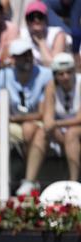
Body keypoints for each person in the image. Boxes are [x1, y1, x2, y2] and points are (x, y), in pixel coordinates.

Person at [0, 39, 52, 196]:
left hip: (32, 123)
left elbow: (42, 113)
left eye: (28, 54)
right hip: (10, 124)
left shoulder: (45, 74)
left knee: (32, 129)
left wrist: (12, 119)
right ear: (14, 59)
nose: (27, 58)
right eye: (22, 56)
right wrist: (1, 119)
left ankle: (28, 181)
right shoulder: (4, 75)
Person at [37, 53, 81, 185]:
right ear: (55, 75)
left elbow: (79, 119)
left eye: (69, 72)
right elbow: (48, 118)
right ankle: (30, 180)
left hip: (75, 128)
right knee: (41, 132)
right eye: (61, 74)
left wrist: (55, 123)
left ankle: (74, 181)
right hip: (62, 131)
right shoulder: (51, 86)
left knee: (72, 134)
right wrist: (52, 125)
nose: (65, 77)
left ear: (74, 71)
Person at [19, 1, 67, 67]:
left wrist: (41, 42)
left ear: (46, 19)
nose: (36, 20)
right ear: (27, 21)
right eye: (31, 17)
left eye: (40, 16)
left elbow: (53, 66)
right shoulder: (21, 34)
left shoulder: (57, 34)